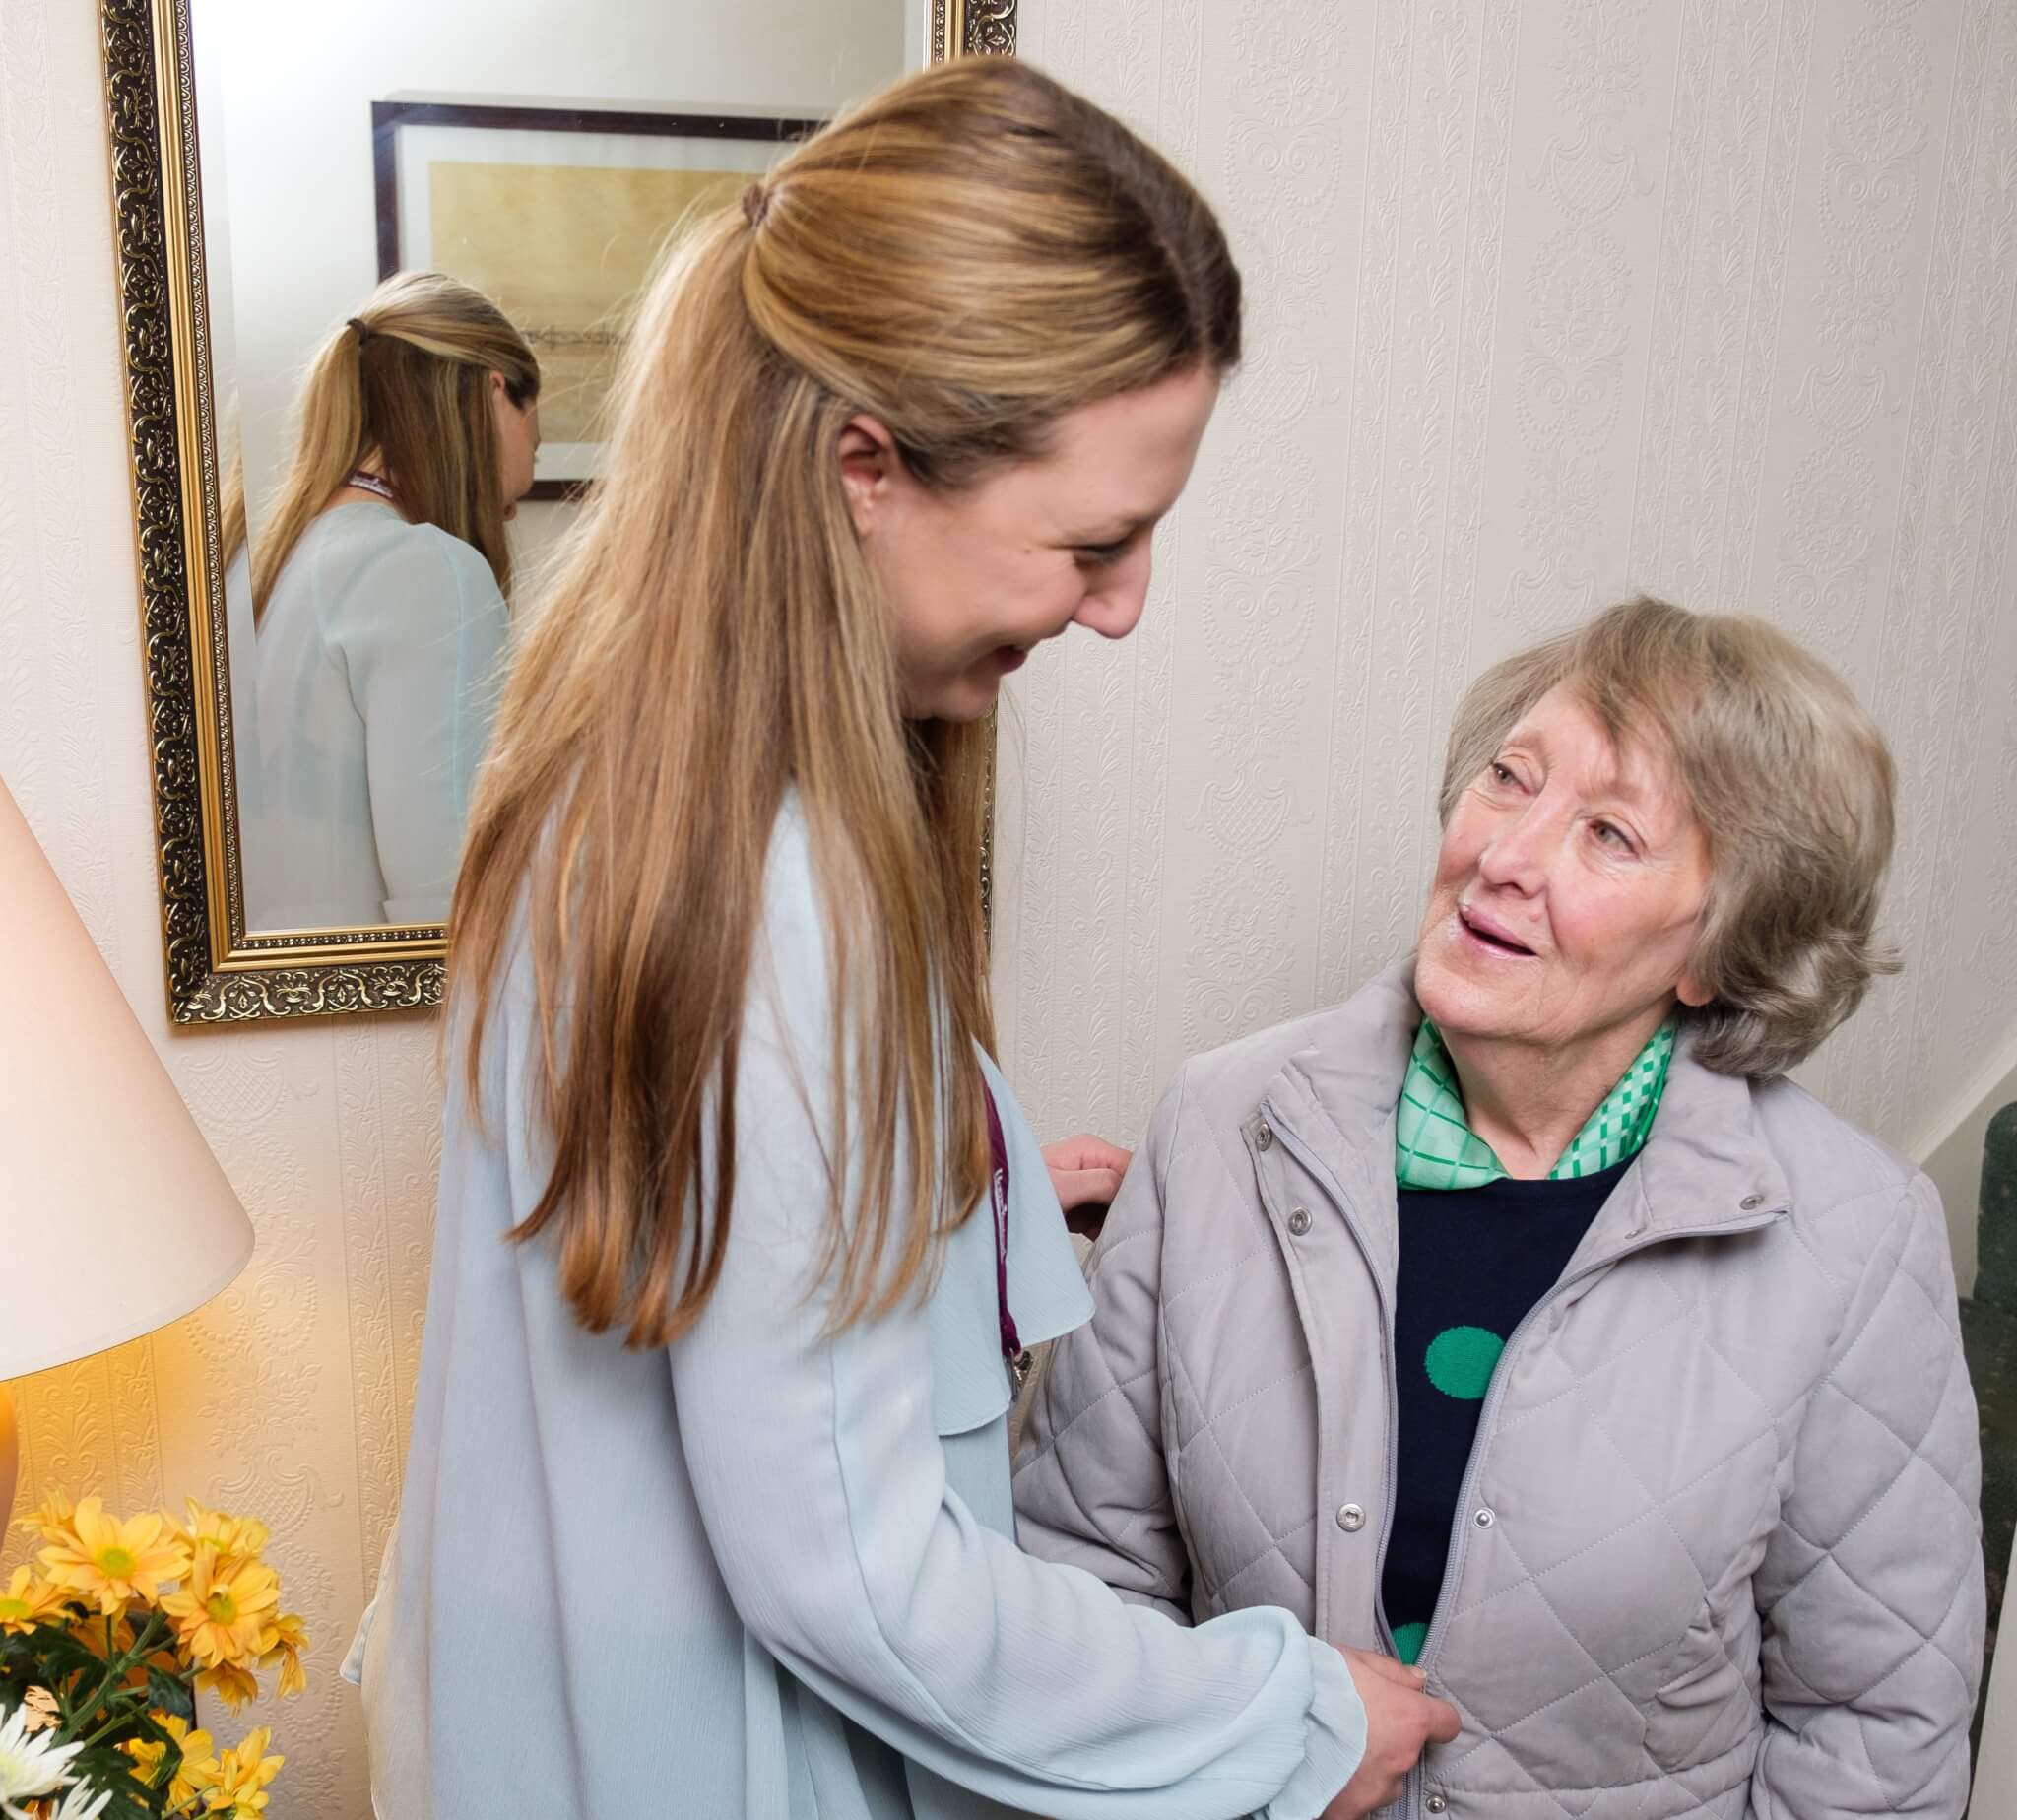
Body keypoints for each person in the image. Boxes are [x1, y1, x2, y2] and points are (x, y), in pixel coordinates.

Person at [343, 58, 1457, 1820]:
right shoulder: (776, 892)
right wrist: (1286, 1711)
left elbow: (716, 1228)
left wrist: (985, 1187)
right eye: (1094, 540)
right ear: (868, 466)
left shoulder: (615, 775)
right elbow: (856, 1576)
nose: (1124, 604)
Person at [1017, 596, 1986, 1819]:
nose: (1506, 856)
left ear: (1719, 946)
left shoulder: (1850, 1236)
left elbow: (1874, 1736)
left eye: (1607, 835)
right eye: (1507, 779)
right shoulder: (1220, 1122)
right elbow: (1077, 1576)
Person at [235, 272, 541, 928]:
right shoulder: (427, 571)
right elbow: (456, 899)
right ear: (495, 390)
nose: (508, 507)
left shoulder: (299, 556)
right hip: (390, 1022)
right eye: (513, 499)